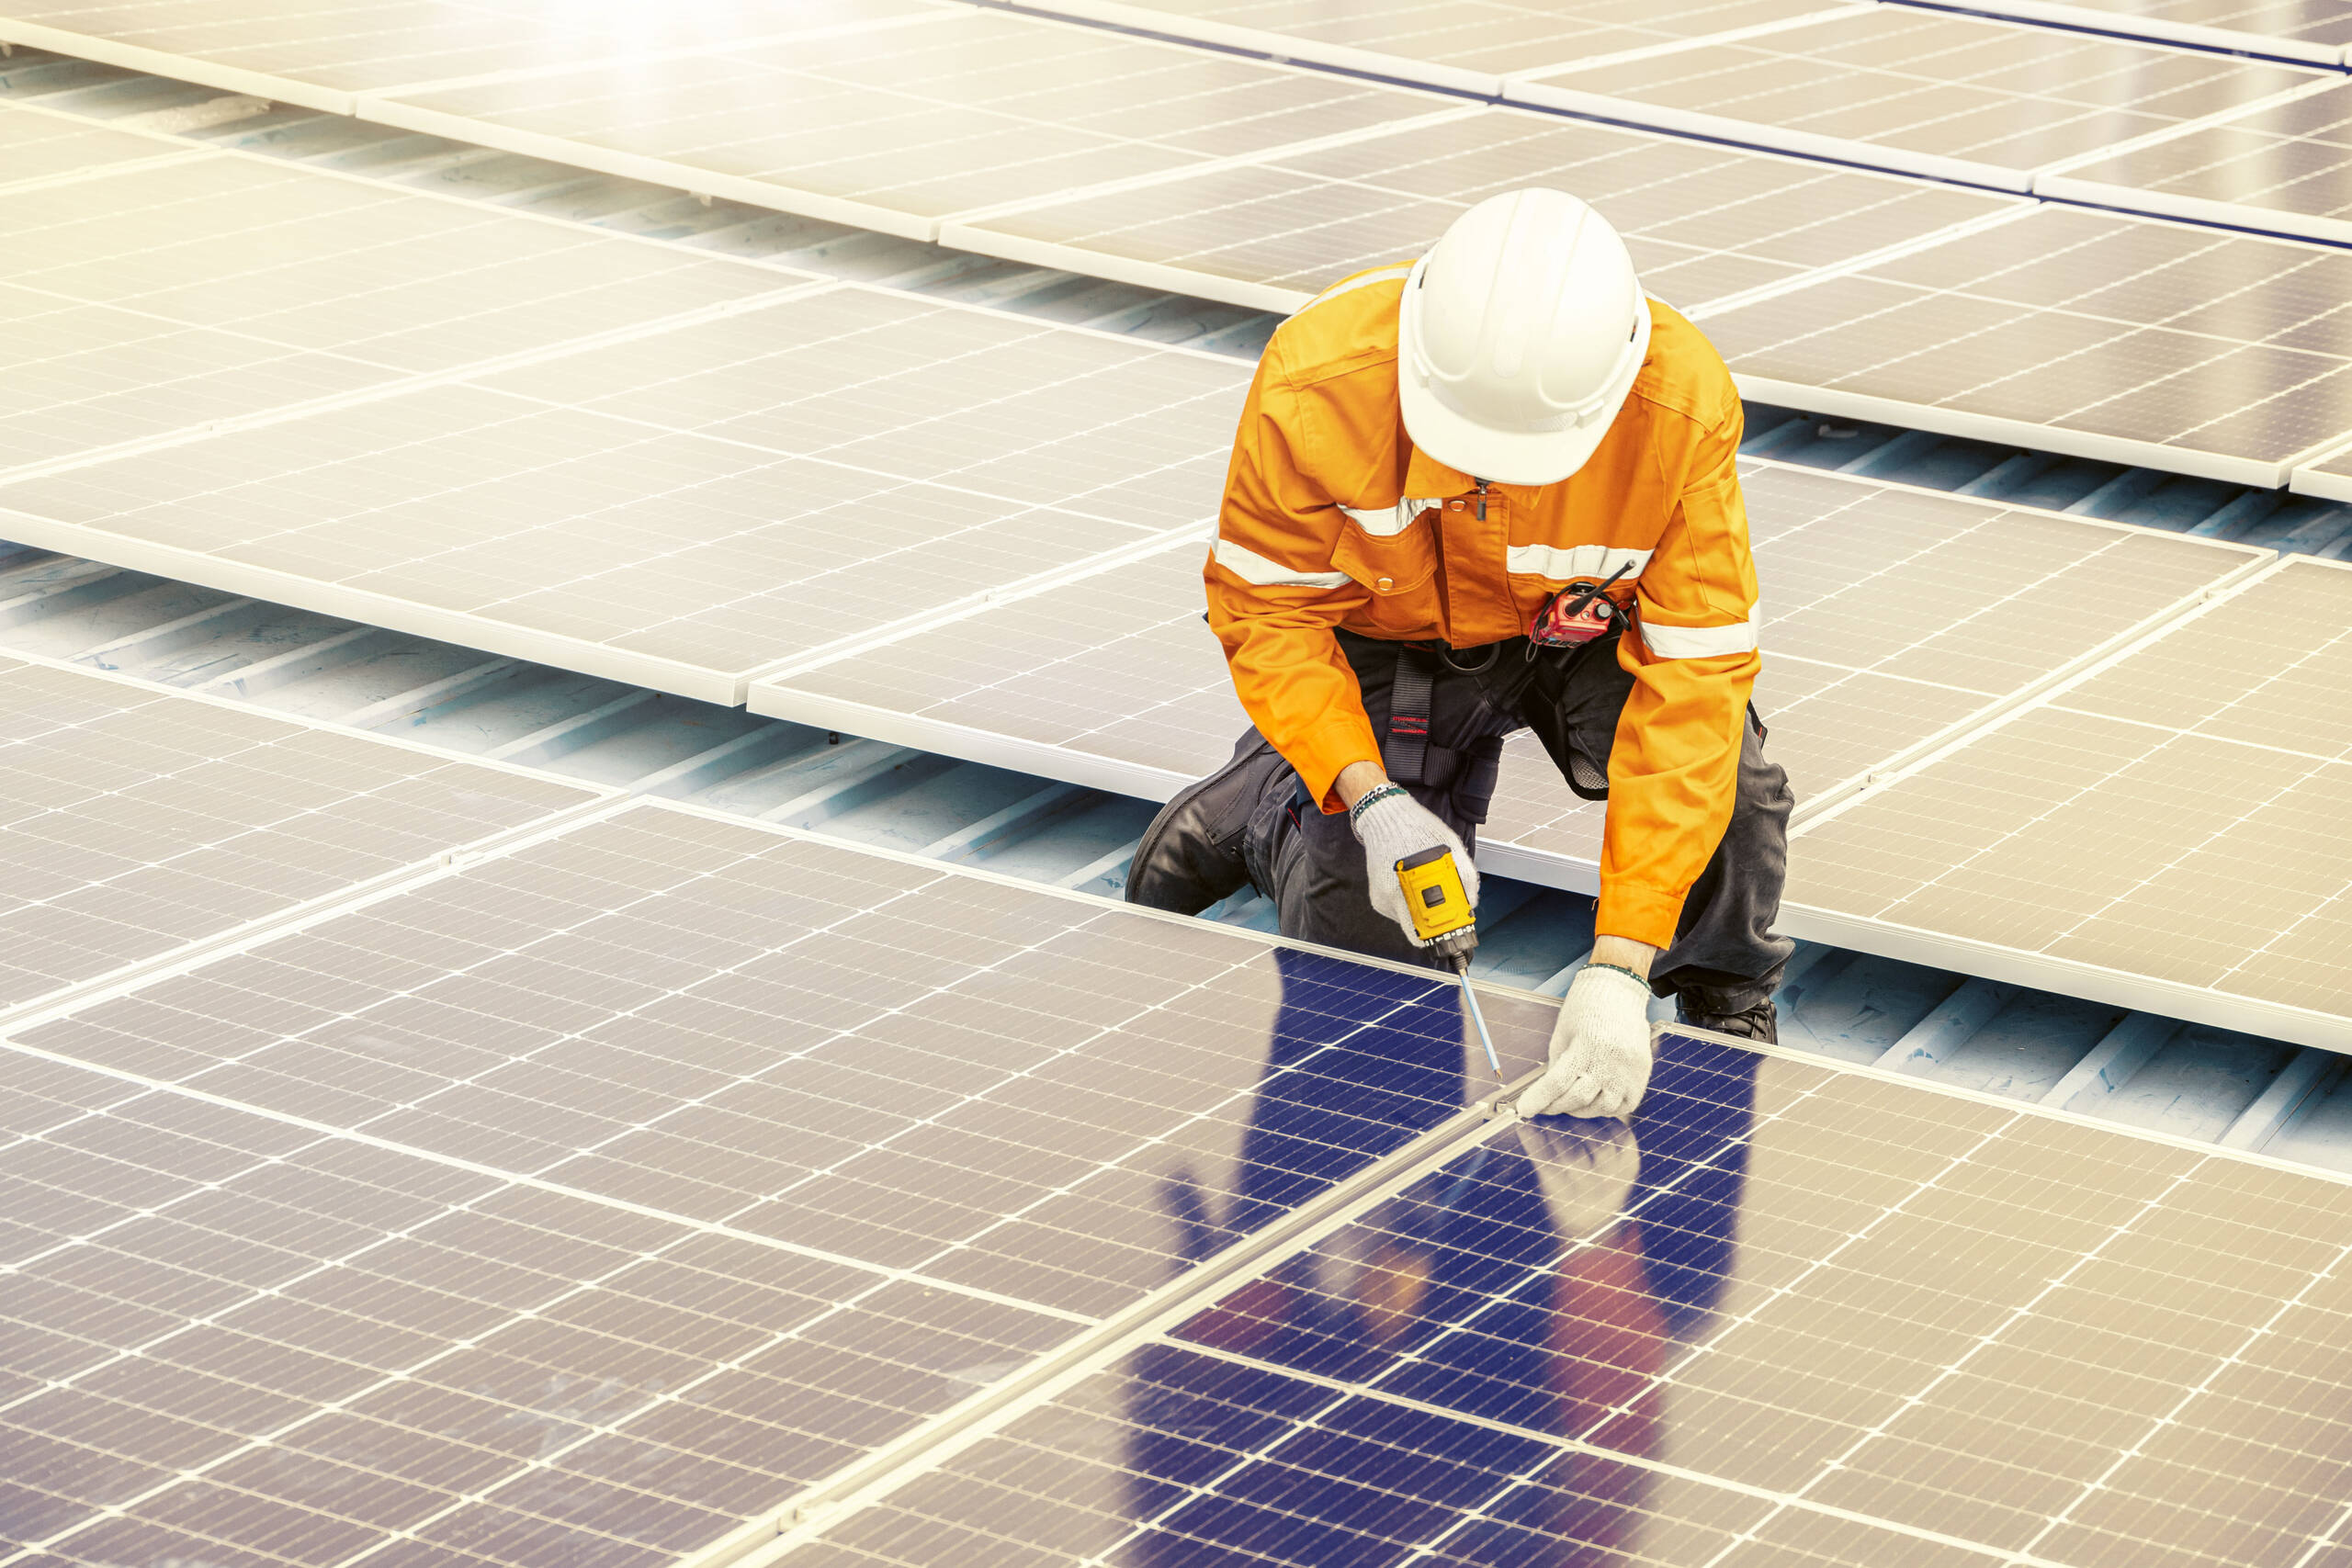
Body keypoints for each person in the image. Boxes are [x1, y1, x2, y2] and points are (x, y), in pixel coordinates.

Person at [1126, 186, 1792, 1122]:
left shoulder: (1676, 406)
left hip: (1579, 636)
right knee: (1367, 982)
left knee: (1736, 798)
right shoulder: (1316, 382)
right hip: (1389, 637)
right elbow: (1265, 612)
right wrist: (1373, 798)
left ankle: (1725, 1005)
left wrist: (1620, 962)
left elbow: (1695, 682)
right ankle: (1276, 802)